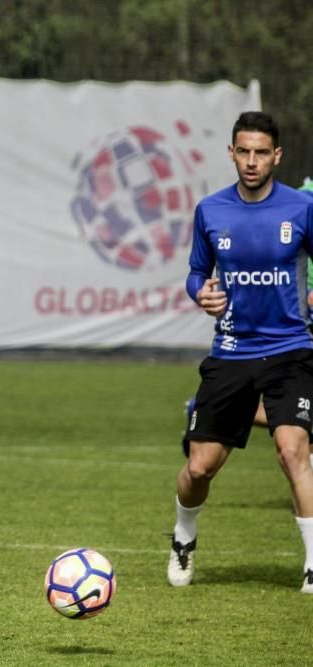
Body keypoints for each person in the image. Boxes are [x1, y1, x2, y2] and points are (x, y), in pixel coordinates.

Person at [172, 111, 313, 593]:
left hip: (292, 350)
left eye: (261, 152)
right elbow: (196, 271)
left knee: (294, 451)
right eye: (243, 151)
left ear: (277, 156)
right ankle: (184, 537)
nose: (251, 161)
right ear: (231, 153)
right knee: (199, 468)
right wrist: (200, 293)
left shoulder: (301, 208)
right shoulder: (211, 210)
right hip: (231, 352)